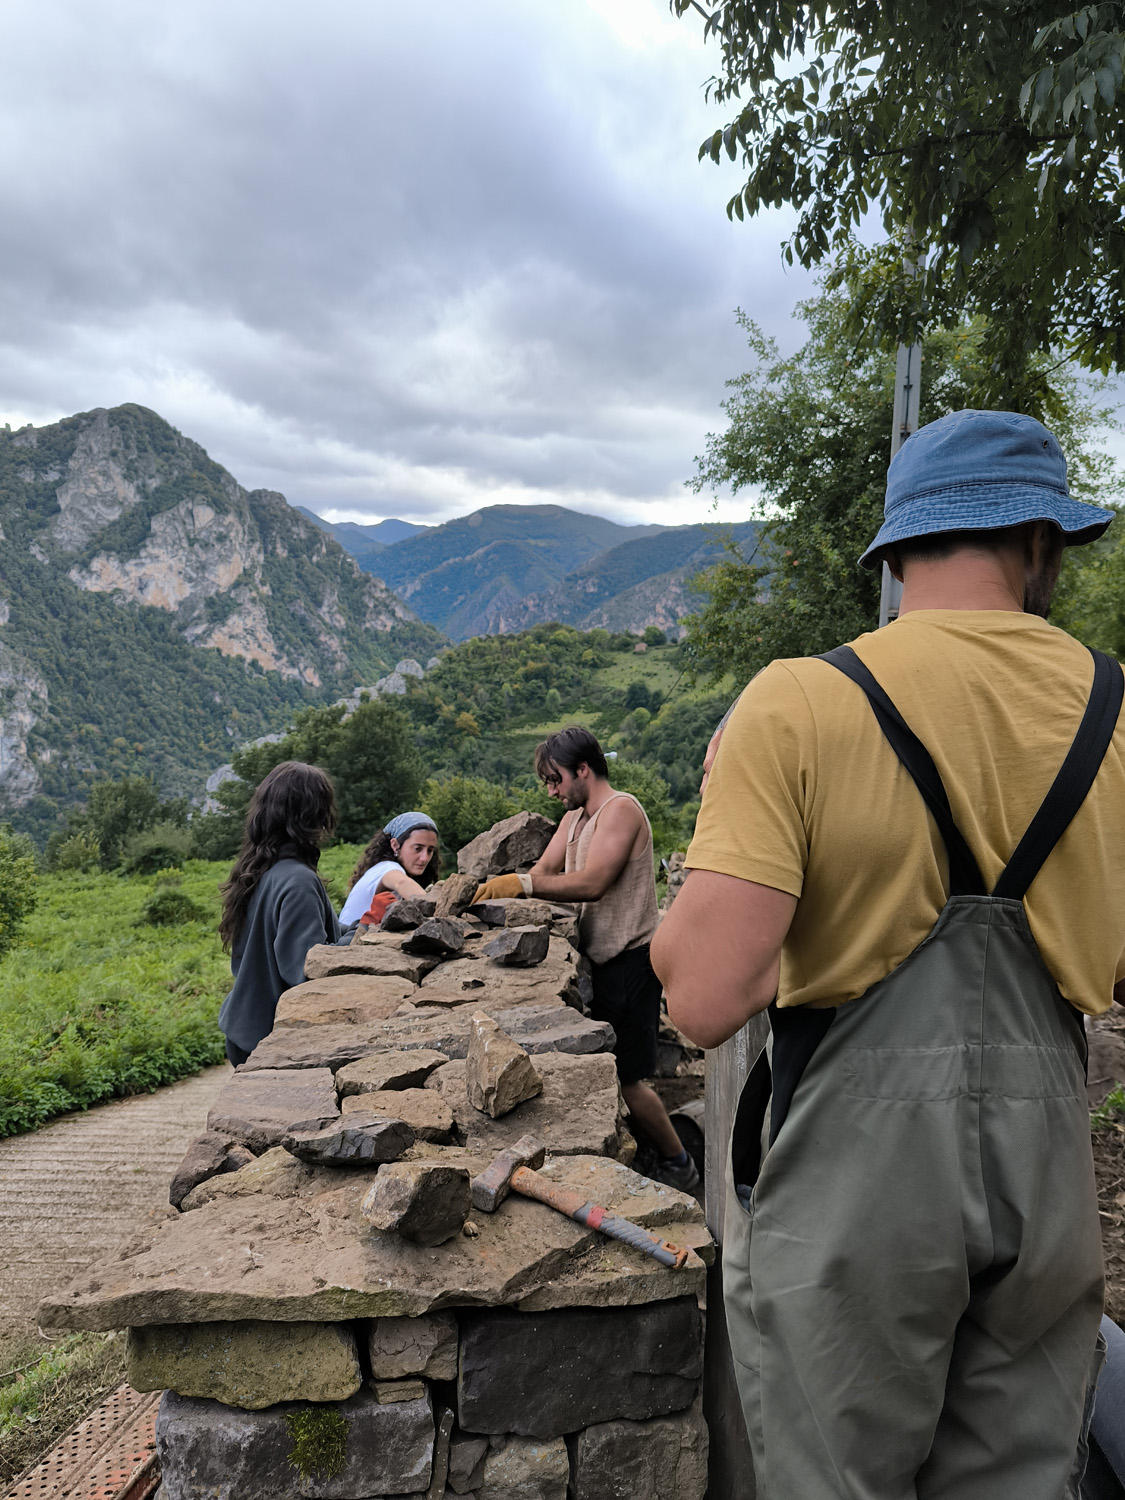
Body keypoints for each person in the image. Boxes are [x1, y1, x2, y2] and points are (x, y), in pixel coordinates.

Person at [653, 408, 1125, 1500]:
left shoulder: (799, 702)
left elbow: (703, 999)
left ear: (897, 550)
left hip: (854, 1187)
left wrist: (728, 813)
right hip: (1046, 1170)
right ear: (1040, 542)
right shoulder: (1114, 708)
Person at [474, 726, 700, 1193]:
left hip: (631, 962)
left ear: (582, 770)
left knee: (627, 1078)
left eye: (555, 779)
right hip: (600, 962)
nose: (551, 791)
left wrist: (524, 884)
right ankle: (647, 1152)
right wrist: (514, 888)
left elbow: (593, 882)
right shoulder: (575, 820)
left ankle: (679, 1163)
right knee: (608, 1070)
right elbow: (544, 870)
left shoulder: (621, 811)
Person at [218, 761, 341, 1067]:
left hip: (244, 1027)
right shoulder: (298, 881)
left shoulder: (257, 870)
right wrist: (360, 936)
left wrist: (353, 929)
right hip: (270, 1039)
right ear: (314, 816)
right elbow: (306, 968)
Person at [339, 812, 440, 927]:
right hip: (348, 936)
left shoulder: (380, 869)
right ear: (395, 845)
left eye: (430, 850)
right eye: (417, 848)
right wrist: (438, 909)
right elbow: (402, 882)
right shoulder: (388, 868)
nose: (424, 858)